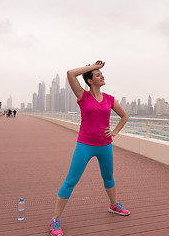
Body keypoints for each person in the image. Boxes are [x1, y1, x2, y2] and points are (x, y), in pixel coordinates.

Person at [50, 60, 130, 236]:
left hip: (104, 146)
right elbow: (70, 73)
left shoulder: (109, 99)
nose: (102, 76)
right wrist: (93, 66)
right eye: (98, 75)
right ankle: (55, 220)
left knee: (108, 178)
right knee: (71, 180)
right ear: (89, 80)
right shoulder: (82, 96)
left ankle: (114, 205)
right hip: (85, 145)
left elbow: (124, 116)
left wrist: (114, 132)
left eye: (101, 74)